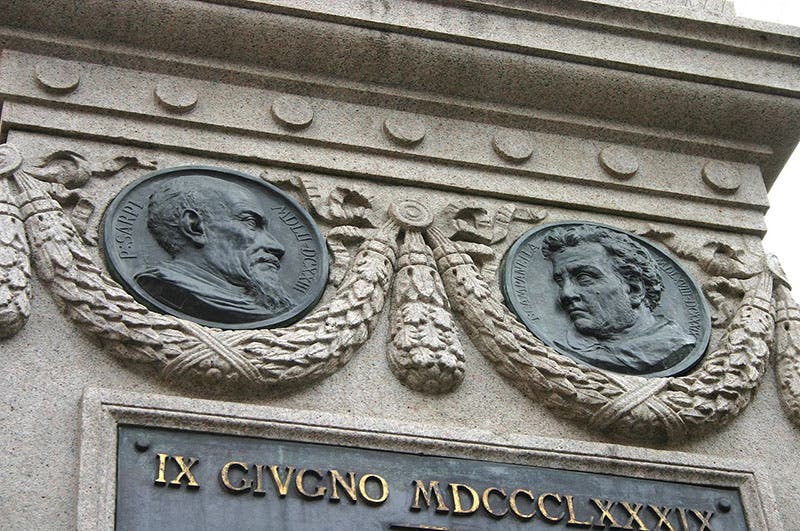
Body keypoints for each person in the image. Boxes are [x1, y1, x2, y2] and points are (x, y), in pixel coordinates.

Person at [135, 176, 293, 324]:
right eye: (251, 223)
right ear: (194, 227)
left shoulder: (251, 304)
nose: (277, 247)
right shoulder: (166, 288)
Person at [541, 225, 695, 375]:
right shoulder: (567, 344)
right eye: (560, 282)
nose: (565, 294)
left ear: (635, 289)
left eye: (584, 278)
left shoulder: (674, 345)